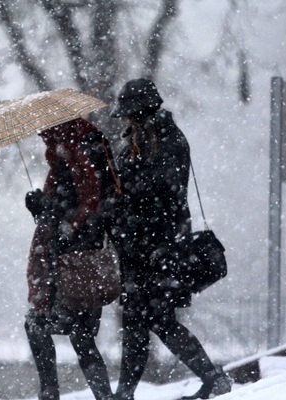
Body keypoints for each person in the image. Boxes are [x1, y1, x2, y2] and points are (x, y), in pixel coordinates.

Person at [107, 78, 232, 400]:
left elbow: (167, 196)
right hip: (136, 247)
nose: (123, 120)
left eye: (128, 114)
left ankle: (211, 377)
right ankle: (126, 392)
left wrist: (126, 201)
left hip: (157, 247)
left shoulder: (168, 141)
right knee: (141, 320)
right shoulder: (137, 142)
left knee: (154, 319)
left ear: (140, 112)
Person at [24, 118, 117, 400]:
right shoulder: (72, 158)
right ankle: (91, 394)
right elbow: (69, 207)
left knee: (53, 327)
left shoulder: (78, 157)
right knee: (74, 333)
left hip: (75, 263)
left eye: (47, 135)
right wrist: (40, 206)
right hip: (75, 260)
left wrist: (54, 215)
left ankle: (51, 391)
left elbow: (84, 208)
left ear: (59, 131)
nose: (44, 142)